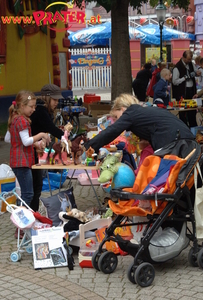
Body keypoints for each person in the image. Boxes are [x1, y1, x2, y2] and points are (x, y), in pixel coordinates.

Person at [84, 93, 194, 154]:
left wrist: (88, 146)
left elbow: (112, 131)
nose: (117, 121)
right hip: (185, 140)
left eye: (116, 117)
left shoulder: (130, 112)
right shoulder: (141, 112)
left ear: (122, 109)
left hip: (177, 143)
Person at [4, 91, 50, 207]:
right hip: (22, 162)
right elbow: (25, 141)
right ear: (22, 106)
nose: (34, 109)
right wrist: (41, 135)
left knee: (26, 194)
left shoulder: (14, 118)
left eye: (35, 106)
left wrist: (35, 144)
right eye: (31, 106)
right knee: (28, 194)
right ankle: (21, 221)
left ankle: (22, 221)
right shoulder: (22, 121)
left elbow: (9, 139)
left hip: (17, 162)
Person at [30, 84, 64, 212]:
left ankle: (34, 214)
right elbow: (51, 128)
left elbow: (47, 129)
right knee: (34, 187)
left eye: (57, 100)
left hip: (36, 150)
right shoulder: (40, 110)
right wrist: (66, 137)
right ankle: (31, 215)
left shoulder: (42, 109)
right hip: (30, 151)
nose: (56, 102)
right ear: (47, 98)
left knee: (37, 185)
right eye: (54, 100)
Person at [172, 50, 201, 127]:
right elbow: (174, 82)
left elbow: (195, 72)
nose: (189, 61)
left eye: (190, 59)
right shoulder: (177, 67)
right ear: (183, 57)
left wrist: (197, 73)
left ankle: (193, 128)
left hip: (192, 91)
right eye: (188, 59)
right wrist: (184, 78)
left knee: (192, 112)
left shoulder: (191, 64)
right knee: (183, 114)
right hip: (182, 93)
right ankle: (184, 129)